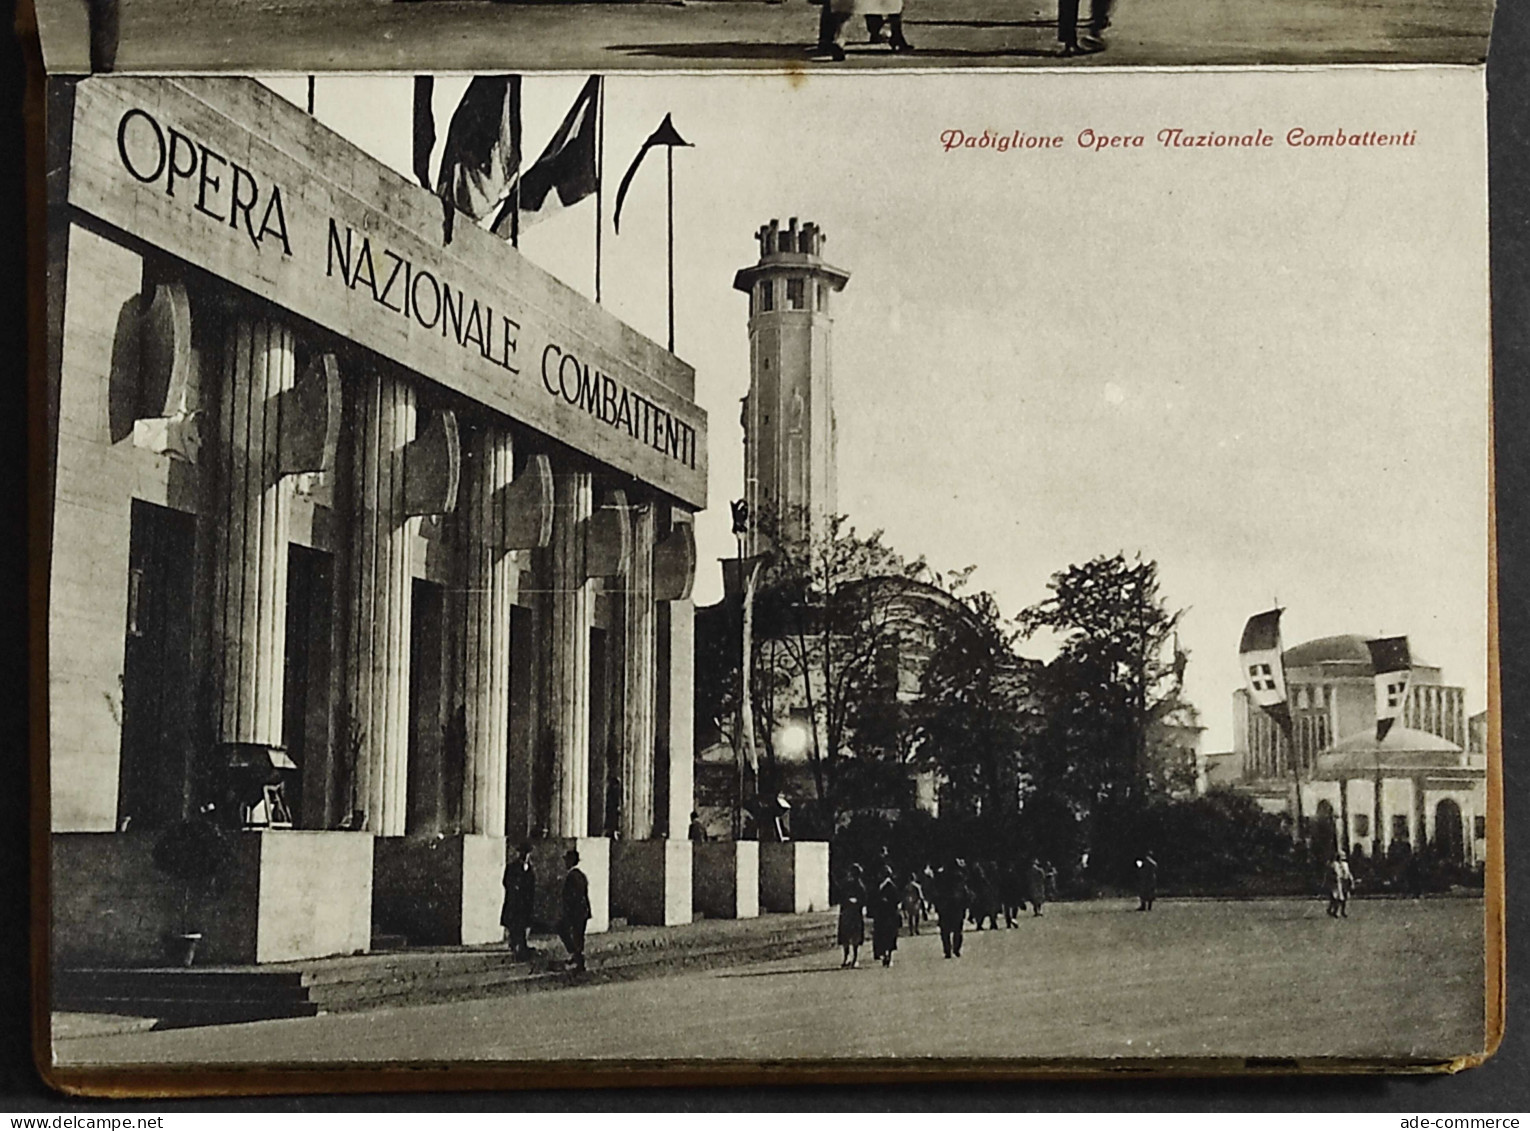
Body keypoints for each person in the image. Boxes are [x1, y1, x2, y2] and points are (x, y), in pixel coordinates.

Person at [500, 842, 536, 960]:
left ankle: (522, 944)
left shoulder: (530, 869)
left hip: (525, 901)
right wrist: (515, 888)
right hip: (515, 901)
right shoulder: (512, 867)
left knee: (524, 923)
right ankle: (515, 944)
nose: (525, 856)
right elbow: (506, 881)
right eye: (523, 853)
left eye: (527, 854)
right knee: (514, 924)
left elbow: (532, 884)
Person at [559, 848, 592, 972]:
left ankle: (577, 958)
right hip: (582, 911)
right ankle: (577, 958)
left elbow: (573, 896)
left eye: (567, 861)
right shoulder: (580, 875)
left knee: (568, 931)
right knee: (578, 935)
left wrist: (568, 911)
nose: (565, 863)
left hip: (576, 911)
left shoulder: (572, 876)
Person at [933, 857, 969, 959]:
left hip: (945, 906)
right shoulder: (959, 877)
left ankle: (947, 950)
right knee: (957, 930)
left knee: (945, 931)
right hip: (957, 906)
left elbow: (936, 892)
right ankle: (956, 949)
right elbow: (965, 892)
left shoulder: (940, 876)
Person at [871, 864, 902, 967]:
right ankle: (884, 954)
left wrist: (887, 901)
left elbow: (897, 900)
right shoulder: (878, 886)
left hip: (889, 915)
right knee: (881, 935)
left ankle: (888, 955)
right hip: (880, 915)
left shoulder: (891, 886)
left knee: (889, 936)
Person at [838, 863, 867, 967]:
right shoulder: (846, 885)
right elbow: (841, 897)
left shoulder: (860, 886)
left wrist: (856, 902)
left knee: (855, 937)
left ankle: (855, 958)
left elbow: (864, 900)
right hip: (846, 913)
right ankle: (846, 957)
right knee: (845, 936)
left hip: (855, 914)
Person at [1326, 852, 1355, 918]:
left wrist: (1351, 881)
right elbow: (1330, 874)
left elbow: (1348, 873)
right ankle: (1334, 911)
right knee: (1338, 897)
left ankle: (1342, 911)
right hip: (1337, 882)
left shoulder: (1345, 864)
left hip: (1344, 881)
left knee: (1344, 897)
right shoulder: (1334, 864)